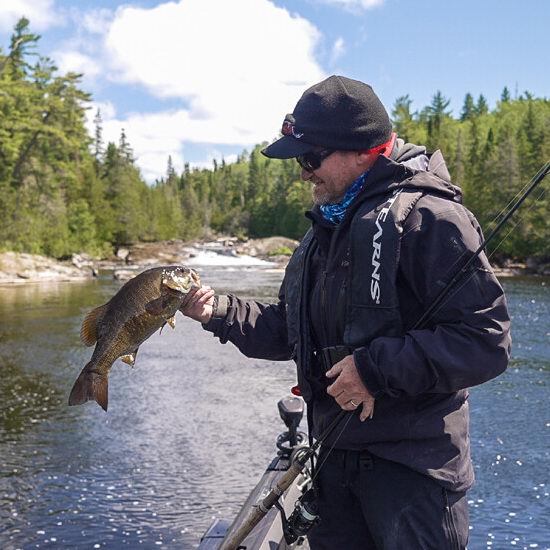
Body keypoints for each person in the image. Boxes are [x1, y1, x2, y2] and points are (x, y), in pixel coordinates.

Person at [180, 75, 511, 549]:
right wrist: (220, 311)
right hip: (334, 465)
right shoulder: (324, 231)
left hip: (412, 475)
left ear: (361, 150)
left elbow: (486, 341)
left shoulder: (431, 218)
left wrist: (373, 370)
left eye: (310, 158)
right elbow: (292, 332)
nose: (303, 173)